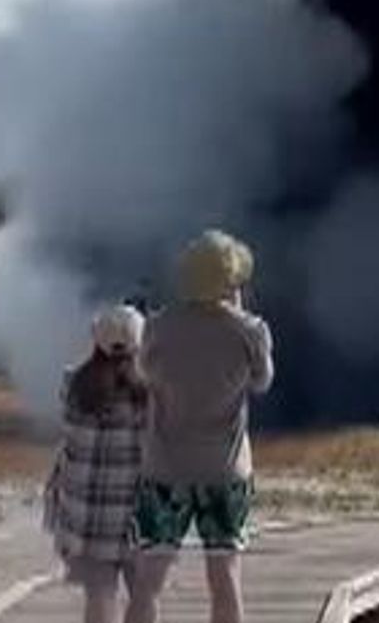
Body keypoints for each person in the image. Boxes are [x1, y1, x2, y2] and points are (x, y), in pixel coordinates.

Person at [127, 230, 274, 623]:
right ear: (232, 280)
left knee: (149, 579)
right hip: (225, 471)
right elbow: (261, 382)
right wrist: (237, 315)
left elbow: (144, 375)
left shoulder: (158, 327)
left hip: (165, 470)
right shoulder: (251, 331)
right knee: (225, 577)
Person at [43, 304, 149, 623]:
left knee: (99, 596)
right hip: (138, 516)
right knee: (144, 596)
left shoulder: (72, 384)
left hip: (86, 515)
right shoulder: (151, 393)